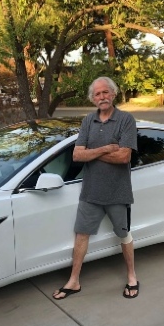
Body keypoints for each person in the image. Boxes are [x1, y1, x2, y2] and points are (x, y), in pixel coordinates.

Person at [53, 76, 139, 300]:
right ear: (93, 98)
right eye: (97, 94)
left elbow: (123, 157)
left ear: (113, 94)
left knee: (124, 234)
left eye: (105, 92)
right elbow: (76, 154)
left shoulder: (126, 120)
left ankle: (132, 277)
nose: (102, 97)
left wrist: (91, 153)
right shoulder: (88, 121)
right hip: (90, 192)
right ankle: (74, 281)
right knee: (81, 235)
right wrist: (105, 149)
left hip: (118, 192)